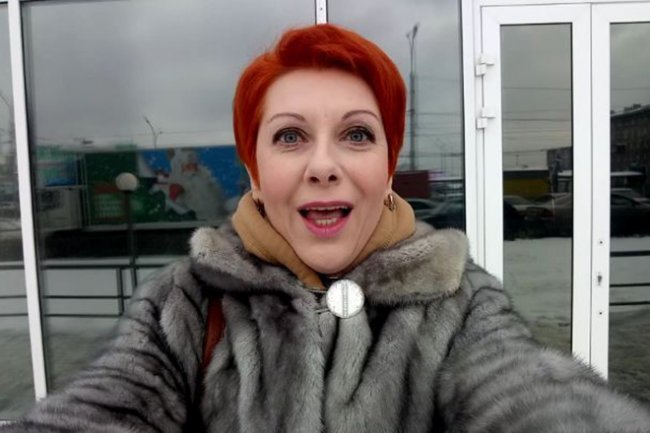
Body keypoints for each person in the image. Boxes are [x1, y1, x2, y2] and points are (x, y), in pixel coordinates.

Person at [3, 24, 650, 433]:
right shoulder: (186, 303)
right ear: (254, 171)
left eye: (357, 134)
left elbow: (532, 394)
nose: (323, 165)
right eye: (290, 137)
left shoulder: (457, 302)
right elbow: (107, 406)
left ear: (387, 166)